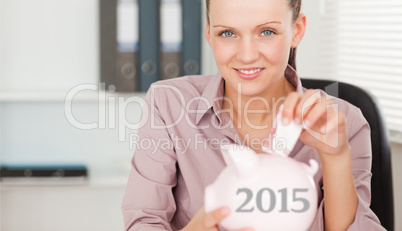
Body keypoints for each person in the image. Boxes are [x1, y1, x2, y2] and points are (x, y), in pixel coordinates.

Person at [122, 0, 385, 230]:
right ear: (208, 33)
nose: (246, 55)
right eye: (227, 33)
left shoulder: (345, 122)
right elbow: (143, 221)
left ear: (297, 30)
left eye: (267, 32)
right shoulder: (168, 104)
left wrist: (335, 158)